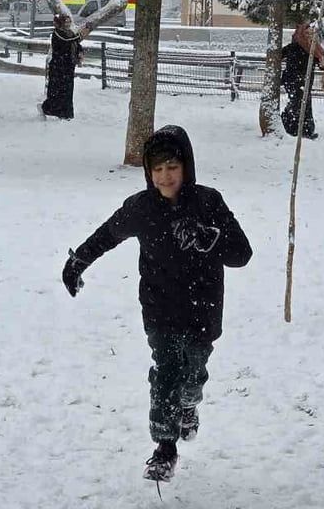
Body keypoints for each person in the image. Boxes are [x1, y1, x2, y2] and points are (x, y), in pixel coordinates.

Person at [61, 126, 252, 483]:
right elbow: (106, 236)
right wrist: (77, 262)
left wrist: (210, 239)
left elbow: (243, 254)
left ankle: (189, 407)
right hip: (160, 308)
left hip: (202, 309)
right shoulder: (141, 208)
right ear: (149, 173)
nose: (165, 177)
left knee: (192, 376)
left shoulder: (208, 203)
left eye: (172, 167)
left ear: (186, 167)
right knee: (165, 374)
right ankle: (165, 449)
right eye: (158, 169)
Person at [280, 20, 324, 139]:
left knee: (305, 104)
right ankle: (292, 128)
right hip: (293, 81)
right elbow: (279, 56)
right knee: (297, 103)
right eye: (306, 33)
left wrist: (323, 63)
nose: (309, 35)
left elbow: (322, 63)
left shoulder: (313, 48)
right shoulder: (293, 47)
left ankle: (305, 130)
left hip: (306, 81)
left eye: (310, 33)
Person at [40, 14, 81, 120]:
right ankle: (50, 109)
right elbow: (66, 42)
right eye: (65, 22)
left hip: (68, 67)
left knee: (67, 91)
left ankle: (66, 113)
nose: (67, 24)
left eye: (69, 22)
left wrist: (79, 52)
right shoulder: (57, 34)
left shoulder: (70, 34)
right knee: (57, 91)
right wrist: (83, 31)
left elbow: (76, 43)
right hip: (59, 67)